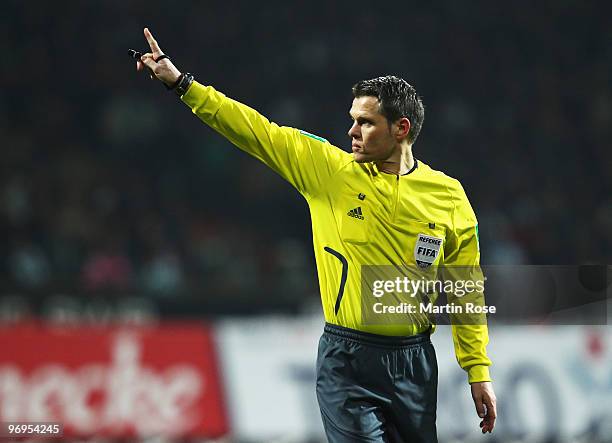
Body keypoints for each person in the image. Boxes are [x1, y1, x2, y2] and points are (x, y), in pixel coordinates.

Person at [135, 27, 497, 442]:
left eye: (365, 122)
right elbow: (259, 132)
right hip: (348, 361)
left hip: (415, 364)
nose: (352, 132)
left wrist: (478, 371)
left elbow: (467, 290)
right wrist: (184, 85)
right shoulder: (330, 171)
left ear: (401, 128)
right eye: (352, 121)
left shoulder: (449, 196)